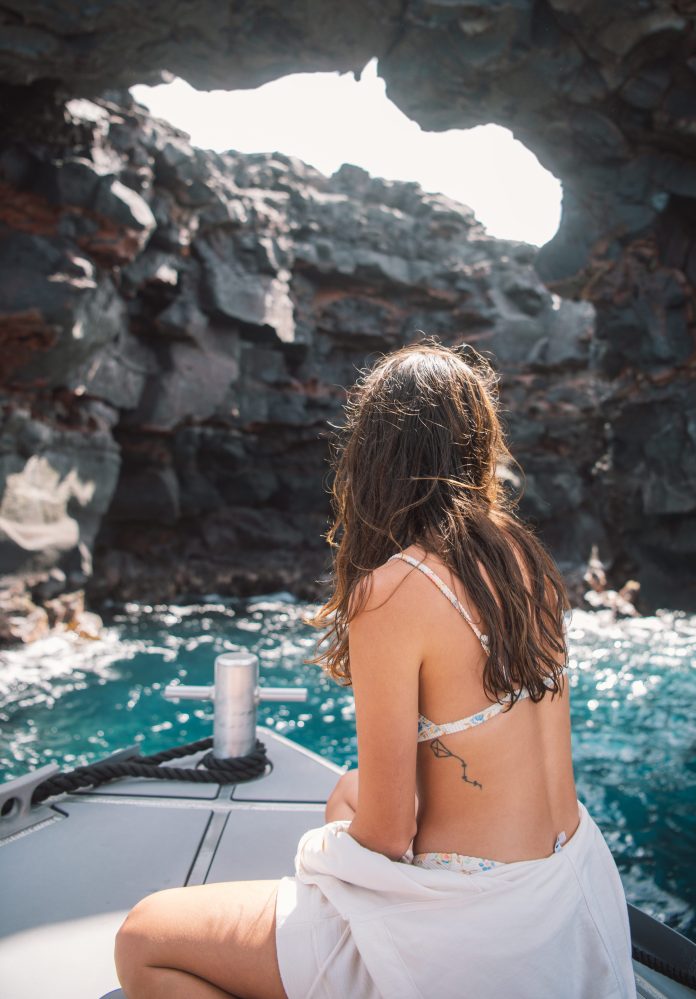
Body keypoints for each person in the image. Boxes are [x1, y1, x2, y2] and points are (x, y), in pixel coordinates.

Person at [114, 337, 636, 998]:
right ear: (477, 444)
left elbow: (389, 833)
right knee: (345, 792)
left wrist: (334, 841)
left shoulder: (391, 590)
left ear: (375, 456)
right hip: (570, 891)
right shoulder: (521, 555)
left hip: (480, 929)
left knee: (144, 938)